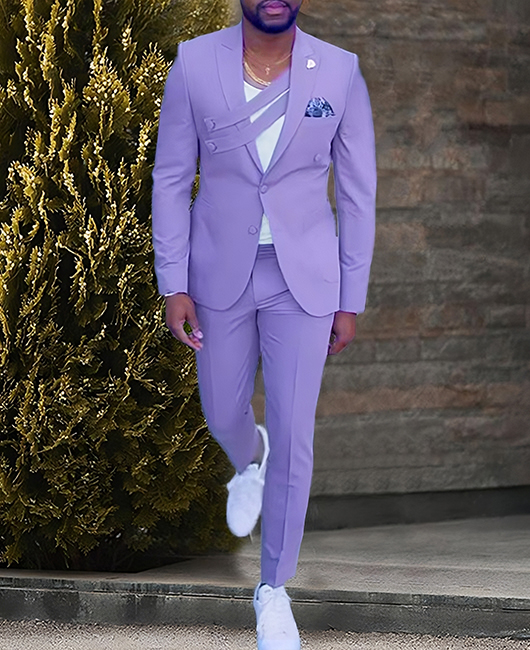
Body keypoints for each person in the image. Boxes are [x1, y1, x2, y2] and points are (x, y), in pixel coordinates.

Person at [151, 0, 377, 647]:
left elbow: (357, 193)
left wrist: (350, 297)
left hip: (304, 281)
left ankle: (273, 589)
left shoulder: (340, 72)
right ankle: (248, 456)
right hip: (218, 271)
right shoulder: (194, 65)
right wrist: (174, 283)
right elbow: (172, 179)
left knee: (295, 431)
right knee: (222, 409)